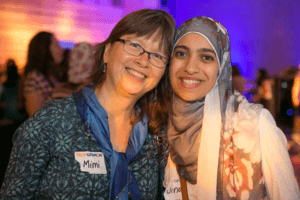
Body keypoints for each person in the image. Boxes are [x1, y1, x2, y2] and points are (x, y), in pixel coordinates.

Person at [0, 9, 175, 200]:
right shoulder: (50, 121)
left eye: (157, 55)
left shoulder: (157, 135)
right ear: (107, 52)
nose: (143, 60)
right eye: (134, 45)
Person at [163, 17, 300, 200]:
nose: (190, 67)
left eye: (206, 57)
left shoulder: (256, 125)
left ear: (222, 66)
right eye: (181, 53)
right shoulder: (160, 126)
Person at [23, 31, 64, 117]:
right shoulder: (34, 78)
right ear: (45, 49)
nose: (62, 49)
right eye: (57, 45)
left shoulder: (52, 75)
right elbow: (35, 117)